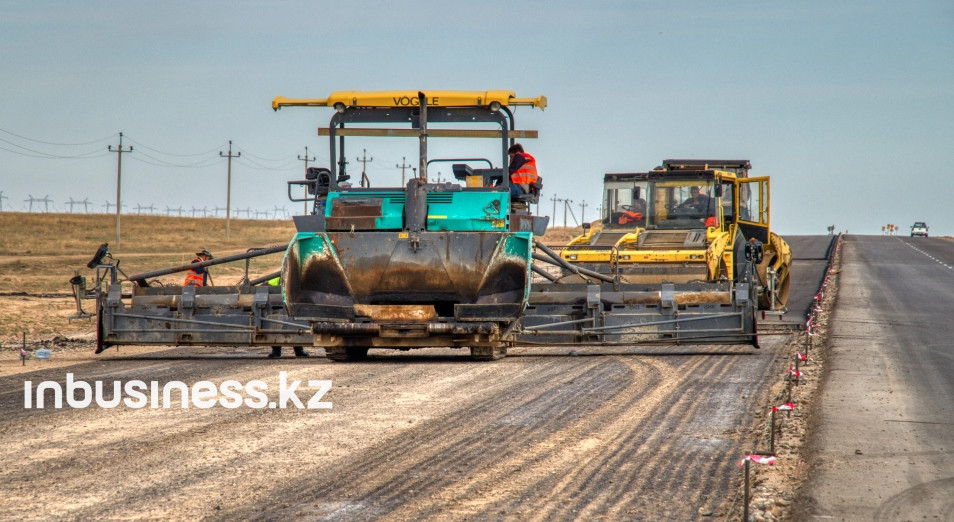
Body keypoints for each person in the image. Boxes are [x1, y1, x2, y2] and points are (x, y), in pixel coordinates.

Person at [266, 274, 310, 358]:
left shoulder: (295, 275)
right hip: (280, 305)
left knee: (294, 328)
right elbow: (270, 287)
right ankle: (277, 351)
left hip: (291, 304)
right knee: (278, 328)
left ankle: (297, 350)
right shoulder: (279, 277)